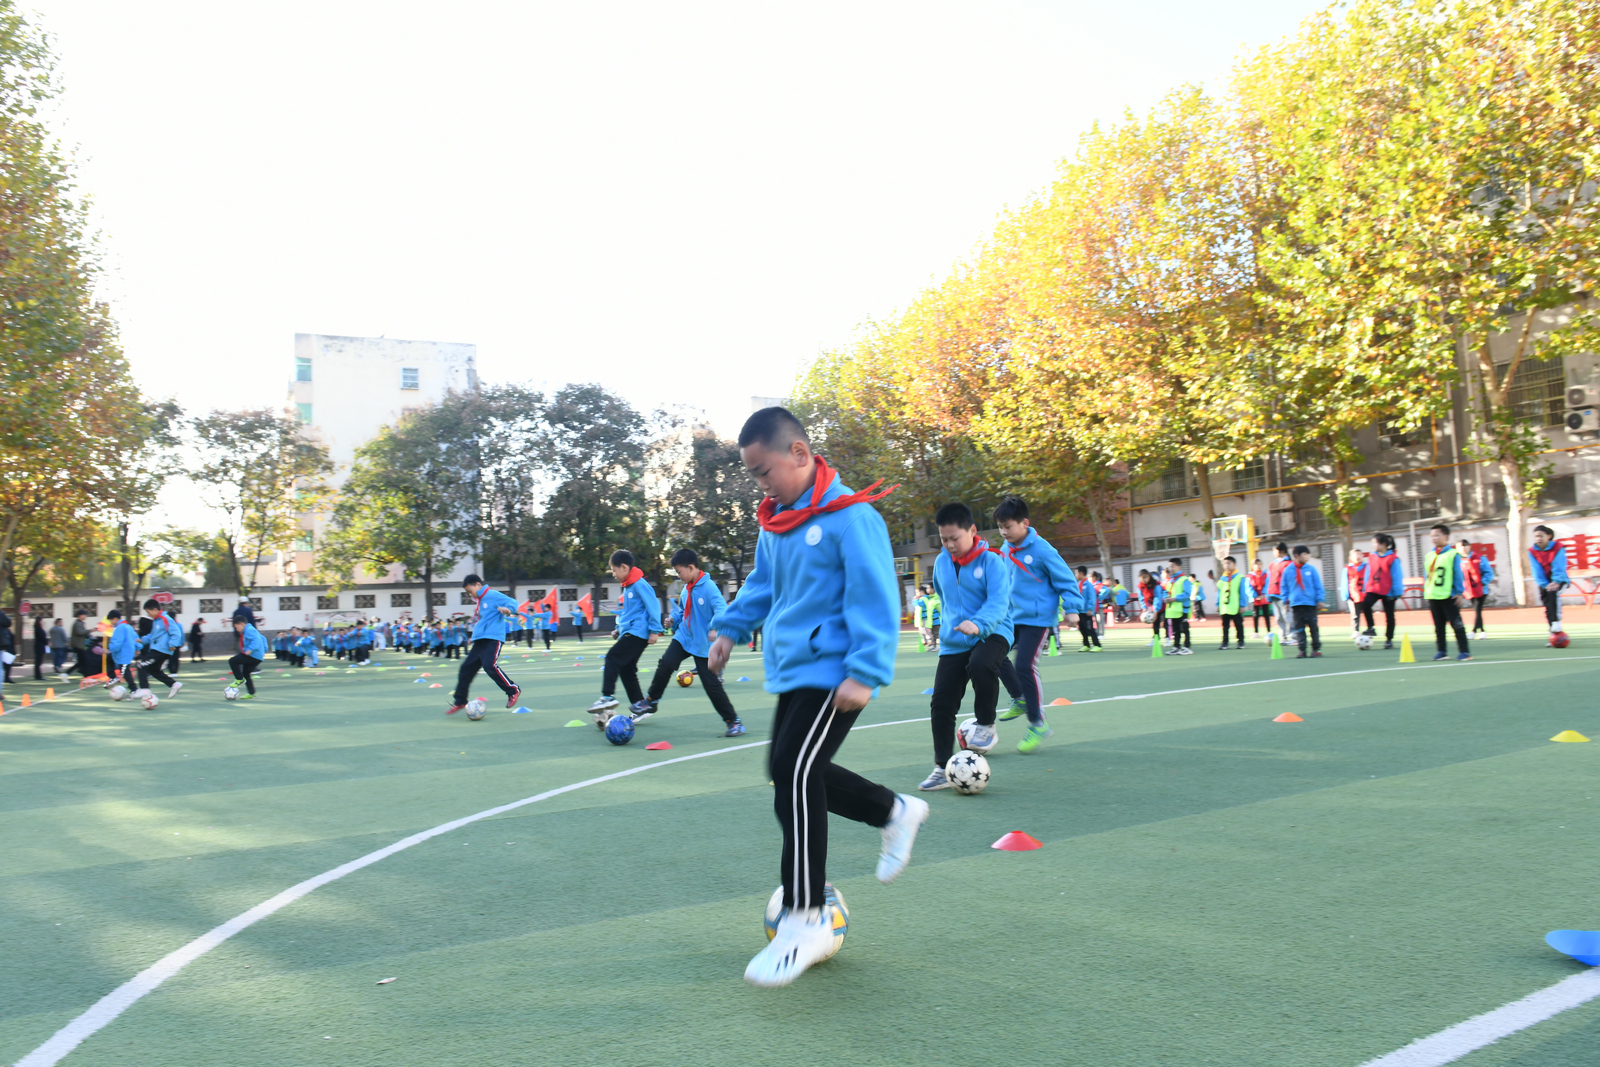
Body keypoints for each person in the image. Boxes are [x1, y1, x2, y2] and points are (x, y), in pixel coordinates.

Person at [707, 405, 924, 988]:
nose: (760, 484)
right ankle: (892, 810)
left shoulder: (852, 517)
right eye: (753, 475)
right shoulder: (776, 523)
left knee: (795, 772)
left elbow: (876, 594)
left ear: (799, 454)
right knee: (791, 773)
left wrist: (866, 670)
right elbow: (763, 585)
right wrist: (730, 627)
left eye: (763, 471)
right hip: (795, 670)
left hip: (836, 672)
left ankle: (805, 919)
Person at [922, 502, 1013, 788]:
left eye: (954, 538)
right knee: (941, 702)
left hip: (993, 631)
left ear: (972, 531)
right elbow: (944, 596)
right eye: (943, 539)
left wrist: (978, 624)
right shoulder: (941, 563)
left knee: (981, 663)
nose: (949, 545)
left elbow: (998, 602)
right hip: (954, 640)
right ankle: (941, 768)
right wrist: (955, 626)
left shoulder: (992, 562)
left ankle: (985, 724)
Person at [992, 494, 1081, 753]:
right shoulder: (1005, 549)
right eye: (1000, 527)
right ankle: (1019, 697)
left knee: (1025, 665)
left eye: (1008, 526)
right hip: (1011, 617)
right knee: (991, 655)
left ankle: (1038, 723)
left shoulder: (1043, 549)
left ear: (1024, 523)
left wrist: (1072, 608)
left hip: (1037, 618)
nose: (1003, 532)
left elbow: (1065, 579)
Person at [636, 549, 744, 735]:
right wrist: (673, 620)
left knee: (711, 685)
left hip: (703, 644)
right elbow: (682, 612)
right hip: (684, 637)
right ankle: (651, 701)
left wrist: (715, 627)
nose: (679, 576)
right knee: (666, 663)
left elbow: (721, 609)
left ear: (691, 568)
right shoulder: (686, 588)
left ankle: (733, 721)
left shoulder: (709, 587)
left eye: (679, 572)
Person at [585, 551, 664, 724]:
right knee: (627, 669)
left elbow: (653, 606)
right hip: (631, 632)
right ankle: (640, 706)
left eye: (614, 570)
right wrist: (618, 629)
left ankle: (607, 696)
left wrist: (655, 630)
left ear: (624, 567)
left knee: (612, 658)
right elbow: (629, 613)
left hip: (638, 633)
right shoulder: (629, 586)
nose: (613, 574)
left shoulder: (640, 584)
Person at [447, 575, 523, 713]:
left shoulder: (492, 595)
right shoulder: (481, 600)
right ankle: (460, 701)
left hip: (493, 638)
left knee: (489, 665)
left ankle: (513, 690)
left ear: (477, 585)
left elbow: (513, 602)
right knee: (466, 668)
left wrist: (508, 610)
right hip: (481, 639)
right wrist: (474, 637)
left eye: (470, 591)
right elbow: (483, 620)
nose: (470, 595)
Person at [1422, 523, 1470, 661]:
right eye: (1432, 536)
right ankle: (1442, 651)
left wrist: (1459, 592)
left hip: (1449, 595)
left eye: (1437, 535)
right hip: (1433, 595)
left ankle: (1464, 651)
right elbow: (1427, 575)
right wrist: (1427, 591)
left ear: (1446, 537)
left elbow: (1457, 574)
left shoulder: (1453, 554)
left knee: (1456, 624)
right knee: (1439, 626)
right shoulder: (1429, 555)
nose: (1433, 538)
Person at [1360, 533, 1404, 650]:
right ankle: (1371, 627)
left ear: (1383, 544)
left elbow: (1397, 575)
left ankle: (1389, 639)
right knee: (1366, 604)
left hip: (1389, 591)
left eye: (1375, 543)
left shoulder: (1392, 559)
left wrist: (1397, 592)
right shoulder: (1372, 557)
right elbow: (1368, 573)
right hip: (1374, 588)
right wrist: (1366, 587)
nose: (1373, 545)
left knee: (1389, 616)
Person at [134, 599, 185, 700]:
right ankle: (173, 684)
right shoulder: (156, 621)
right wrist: (142, 640)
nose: (148, 614)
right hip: (158, 649)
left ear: (154, 610)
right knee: (154, 670)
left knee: (141, 665)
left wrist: (172, 644)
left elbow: (176, 633)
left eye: (148, 612)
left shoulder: (165, 619)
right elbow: (152, 635)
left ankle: (144, 689)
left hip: (161, 649)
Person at [1529, 524, 1569, 642]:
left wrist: (1555, 581)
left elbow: (1559, 566)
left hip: (1559, 579)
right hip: (1545, 582)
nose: (1538, 539)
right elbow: (1536, 570)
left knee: (1553, 595)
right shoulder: (1532, 551)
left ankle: (1556, 622)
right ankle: (1553, 634)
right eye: (1536, 536)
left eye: (1541, 536)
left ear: (1549, 536)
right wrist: (1544, 584)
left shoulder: (1558, 547)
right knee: (1547, 605)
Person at [1283, 546, 1326, 658]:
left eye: (1308, 554)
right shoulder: (1288, 570)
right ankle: (1302, 650)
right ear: (1297, 556)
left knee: (1313, 628)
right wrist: (1285, 601)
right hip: (1296, 604)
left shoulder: (1311, 569)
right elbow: (1284, 587)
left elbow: (1318, 585)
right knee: (1299, 628)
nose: (1307, 557)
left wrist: (1320, 599)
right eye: (1305, 554)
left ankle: (1316, 649)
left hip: (1310, 603)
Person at [1156, 559, 1198, 653]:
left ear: (1179, 567)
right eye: (1169, 567)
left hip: (1182, 609)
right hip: (1172, 610)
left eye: (1173, 566)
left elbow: (1187, 594)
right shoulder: (1171, 580)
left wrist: (1175, 598)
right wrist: (1165, 598)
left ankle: (1187, 647)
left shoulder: (1184, 580)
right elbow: (1166, 591)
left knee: (1184, 628)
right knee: (1175, 629)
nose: (1170, 569)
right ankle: (1176, 646)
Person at [1458, 539, 1495, 639]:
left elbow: (1489, 573)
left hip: (1481, 590)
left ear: (1469, 546)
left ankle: (1476, 631)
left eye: (1465, 545)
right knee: (1476, 611)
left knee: (1477, 610)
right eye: (1461, 546)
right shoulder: (1460, 561)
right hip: (1470, 591)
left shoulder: (1480, 558)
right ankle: (1479, 631)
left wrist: (1481, 583)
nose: (1463, 548)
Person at [228, 615, 267, 699]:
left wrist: (250, 649)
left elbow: (256, 640)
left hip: (253, 655)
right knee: (245, 674)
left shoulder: (249, 630)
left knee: (232, 661)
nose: (236, 629)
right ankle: (251, 693)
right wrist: (264, 650)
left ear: (241, 624)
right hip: (257, 656)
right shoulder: (251, 629)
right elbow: (263, 638)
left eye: (236, 627)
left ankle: (239, 679)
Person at [1215, 555, 1248, 649]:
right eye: (1225, 563)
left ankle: (1240, 642)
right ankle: (1225, 643)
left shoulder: (1239, 577)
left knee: (1238, 625)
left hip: (1235, 606)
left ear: (1234, 564)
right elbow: (1219, 592)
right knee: (1225, 626)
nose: (1226, 565)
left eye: (1229, 563)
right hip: (1225, 606)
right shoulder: (1222, 579)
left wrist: (1242, 605)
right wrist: (1218, 604)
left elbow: (1242, 592)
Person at [1266, 542, 1293, 645]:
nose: (1273, 552)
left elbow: (1290, 581)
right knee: (1278, 617)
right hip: (1274, 594)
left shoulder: (1288, 564)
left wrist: (1288, 596)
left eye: (1275, 550)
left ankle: (1292, 636)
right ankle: (1283, 637)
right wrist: (1268, 593)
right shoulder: (1272, 564)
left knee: (1287, 616)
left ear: (1282, 551)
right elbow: (1269, 579)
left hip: (1283, 595)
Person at [105, 610, 139, 692]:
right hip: (128, 652)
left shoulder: (119, 628)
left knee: (125, 671)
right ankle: (113, 678)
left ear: (115, 618)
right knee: (110, 658)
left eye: (110, 620)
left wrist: (111, 648)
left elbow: (117, 642)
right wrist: (138, 648)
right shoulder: (128, 626)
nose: (111, 623)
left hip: (123, 653)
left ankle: (134, 689)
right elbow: (136, 639)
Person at [1072, 566, 1102, 651]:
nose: (1076, 575)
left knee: (1090, 628)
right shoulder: (1078, 584)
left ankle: (1097, 645)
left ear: (1081, 573)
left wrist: (1090, 608)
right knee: (1082, 628)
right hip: (1080, 611)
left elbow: (1092, 597)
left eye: (1076, 573)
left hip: (1086, 611)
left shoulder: (1088, 585)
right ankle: (1086, 645)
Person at [1345, 548, 1367, 638]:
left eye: (1359, 554)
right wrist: (1345, 594)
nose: (1358, 556)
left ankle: (1370, 629)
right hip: (1353, 594)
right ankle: (1356, 630)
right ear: (1350, 557)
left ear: (1363, 556)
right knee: (1355, 614)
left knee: (1367, 612)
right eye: (1355, 554)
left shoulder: (1367, 567)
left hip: (1365, 593)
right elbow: (1345, 582)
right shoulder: (1347, 568)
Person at [1247, 559, 1270, 633]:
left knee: (1266, 614)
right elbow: (1248, 587)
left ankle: (1269, 631)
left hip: (1264, 598)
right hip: (1255, 599)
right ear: (1252, 566)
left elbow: (1267, 585)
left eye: (1260, 564)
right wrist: (1254, 596)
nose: (1258, 566)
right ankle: (1256, 632)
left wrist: (1264, 594)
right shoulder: (1250, 576)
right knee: (1255, 615)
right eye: (1256, 564)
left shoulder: (1265, 575)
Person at [70, 610, 94, 676]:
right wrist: (90, 630)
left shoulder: (80, 623)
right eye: (84, 614)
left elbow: (84, 633)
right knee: (85, 661)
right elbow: (80, 632)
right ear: (80, 616)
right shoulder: (77, 623)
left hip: (80, 645)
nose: (86, 616)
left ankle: (67, 673)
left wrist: (90, 635)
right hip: (78, 645)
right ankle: (86, 675)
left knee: (82, 661)